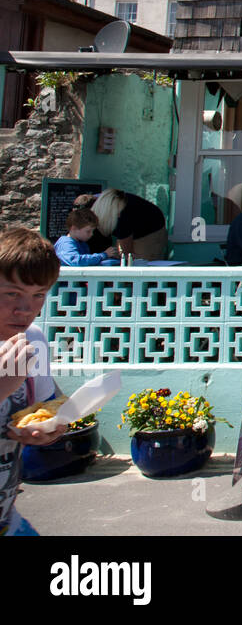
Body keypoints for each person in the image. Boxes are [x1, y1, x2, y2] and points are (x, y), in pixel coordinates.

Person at [1, 229, 72, 535]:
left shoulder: (33, 340)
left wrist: (53, 428)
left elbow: (46, 409)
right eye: (12, 293)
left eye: (38, 294)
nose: (25, 309)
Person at [92, 188, 168, 260]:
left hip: (151, 227)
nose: (118, 215)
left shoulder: (123, 216)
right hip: (126, 221)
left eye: (119, 213)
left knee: (139, 261)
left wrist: (125, 255)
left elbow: (126, 253)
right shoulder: (90, 207)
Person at [54, 208, 119, 267]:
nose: (91, 234)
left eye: (92, 231)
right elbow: (76, 261)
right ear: (74, 228)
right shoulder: (65, 243)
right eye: (88, 231)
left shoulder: (82, 244)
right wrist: (103, 255)